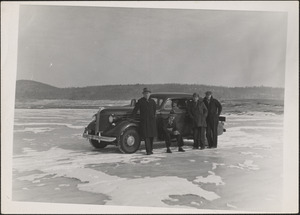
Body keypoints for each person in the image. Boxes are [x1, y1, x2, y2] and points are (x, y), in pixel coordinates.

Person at [132, 88, 157, 155]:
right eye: (145, 93)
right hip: (144, 121)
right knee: (146, 136)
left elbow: (154, 110)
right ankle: (148, 151)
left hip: (151, 121)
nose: (147, 94)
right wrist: (132, 118)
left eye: (148, 93)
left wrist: (153, 117)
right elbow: (135, 110)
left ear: (150, 94)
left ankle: (151, 149)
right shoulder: (140, 101)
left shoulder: (152, 101)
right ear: (143, 94)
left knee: (151, 136)